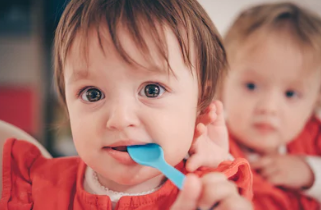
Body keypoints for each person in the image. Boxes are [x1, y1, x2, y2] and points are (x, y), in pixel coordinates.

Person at [0, 0, 253, 209]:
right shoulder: (34, 186)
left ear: (200, 103)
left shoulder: (211, 198)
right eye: (92, 94)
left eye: (152, 90)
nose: (120, 119)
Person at [221, 2, 321, 210]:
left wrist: (311, 173)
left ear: (315, 101)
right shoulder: (214, 149)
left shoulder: (314, 136)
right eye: (251, 86)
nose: (269, 107)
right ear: (221, 83)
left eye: (291, 94)